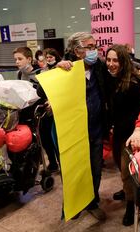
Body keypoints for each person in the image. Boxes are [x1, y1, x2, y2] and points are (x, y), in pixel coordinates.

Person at [55, 32, 109, 221]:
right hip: (73, 132)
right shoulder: (65, 69)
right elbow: (41, 89)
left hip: (95, 128)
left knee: (95, 169)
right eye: (91, 47)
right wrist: (57, 68)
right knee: (73, 169)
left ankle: (92, 202)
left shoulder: (99, 67)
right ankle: (73, 204)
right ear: (78, 51)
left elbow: (121, 68)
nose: (95, 51)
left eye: (95, 47)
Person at [105, 44, 140, 226]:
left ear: (124, 61)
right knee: (121, 167)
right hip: (117, 133)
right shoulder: (111, 79)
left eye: (115, 60)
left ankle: (131, 205)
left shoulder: (135, 83)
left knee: (127, 171)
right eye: (108, 60)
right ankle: (127, 192)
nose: (111, 64)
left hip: (131, 135)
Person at [13, 47, 59, 173]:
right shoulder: (19, 74)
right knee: (40, 141)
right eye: (15, 59)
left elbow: (50, 91)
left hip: (44, 111)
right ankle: (51, 163)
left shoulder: (41, 73)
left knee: (49, 138)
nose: (17, 62)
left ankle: (58, 162)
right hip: (28, 112)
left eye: (20, 59)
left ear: (29, 59)